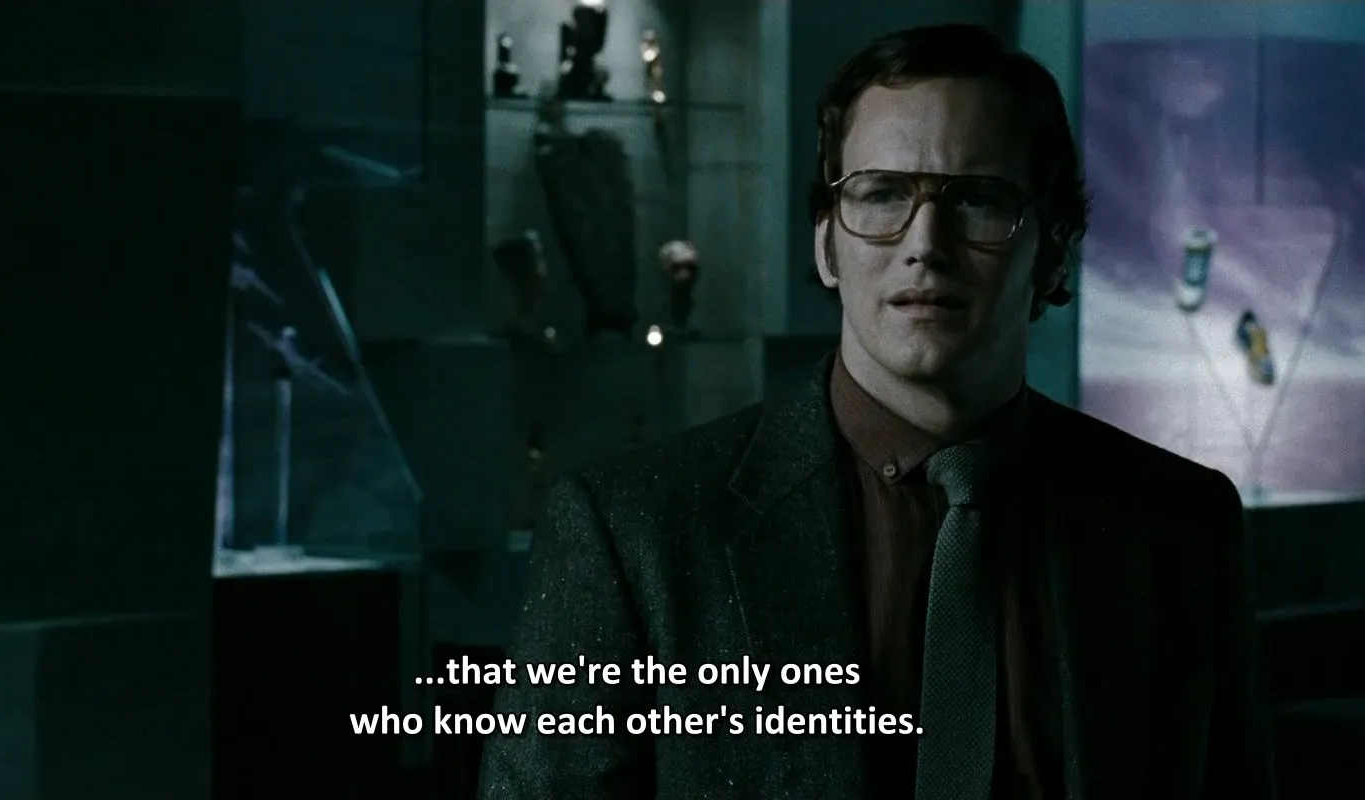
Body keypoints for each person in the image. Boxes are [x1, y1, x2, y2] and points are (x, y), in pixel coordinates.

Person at [479, 23, 1274, 800]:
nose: (925, 242)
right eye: (882, 193)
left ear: (1056, 250)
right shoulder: (637, 532)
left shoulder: (1180, 525)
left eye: (978, 200)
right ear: (827, 243)